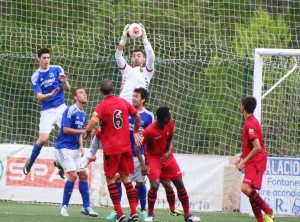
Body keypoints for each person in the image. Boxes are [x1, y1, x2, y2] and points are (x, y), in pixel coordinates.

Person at [84, 79, 142, 222]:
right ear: (113, 89)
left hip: (111, 149)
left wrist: (87, 132)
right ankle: (134, 212)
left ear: (100, 91)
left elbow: (93, 121)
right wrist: (135, 131)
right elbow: (137, 116)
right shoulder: (123, 102)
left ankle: (120, 214)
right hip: (125, 146)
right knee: (126, 177)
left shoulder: (102, 106)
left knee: (110, 178)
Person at [137, 107, 200, 222]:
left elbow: (171, 138)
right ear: (163, 119)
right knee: (155, 185)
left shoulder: (170, 123)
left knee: (180, 184)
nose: (171, 116)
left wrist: (168, 151)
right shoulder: (149, 131)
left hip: (168, 157)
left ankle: (188, 215)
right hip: (153, 159)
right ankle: (150, 215)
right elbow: (138, 146)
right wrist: (142, 164)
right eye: (168, 115)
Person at [23, 47, 71, 177]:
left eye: (48, 58)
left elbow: (68, 88)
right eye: (44, 58)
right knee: (43, 139)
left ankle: (60, 163)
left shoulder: (57, 69)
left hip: (61, 108)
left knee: (69, 136)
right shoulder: (36, 76)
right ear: (38, 58)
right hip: (47, 111)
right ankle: (30, 161)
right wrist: (50, 94)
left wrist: (65, 81)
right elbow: (39, 97)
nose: (46, 60)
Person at [54, 87, 97, 217]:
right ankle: (64, 207)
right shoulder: (70, 110)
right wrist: (84, 131)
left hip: (75, 149)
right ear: (75, 97)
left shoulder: (83, 114)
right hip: (63, 148)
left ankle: (87, 207)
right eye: (81, 93)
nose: (85, 94)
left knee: (83, 175)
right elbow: (66, 129)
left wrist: (81, 146)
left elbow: (79, 131)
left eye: (85, 92)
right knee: (73, 176)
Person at [235, 96, 276, 222]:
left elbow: (257, 147)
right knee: (250, 193)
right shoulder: (251, 121)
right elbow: (250, 146)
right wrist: (241, 157)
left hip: (257, 161)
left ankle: (269, 211)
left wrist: (243, 161)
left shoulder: (250, 124)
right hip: (253, 160)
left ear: (242, 107)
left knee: (245, 188)